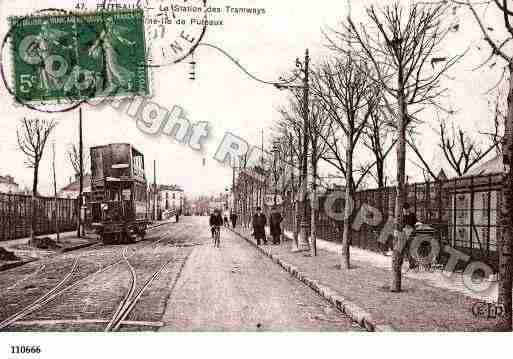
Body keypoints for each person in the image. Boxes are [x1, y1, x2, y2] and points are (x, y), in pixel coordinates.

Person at [403, 203, 418, 269]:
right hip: (403, 233)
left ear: (409, 209)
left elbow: (416, 223)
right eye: (404, 210)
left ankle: (412, 263)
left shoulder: (412, 215)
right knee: (405, 249)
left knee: (410, 248)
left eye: (406, 209)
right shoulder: (401, 216)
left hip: (411, 233)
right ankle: (410, 261)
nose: (405, 211)